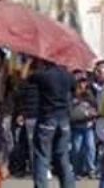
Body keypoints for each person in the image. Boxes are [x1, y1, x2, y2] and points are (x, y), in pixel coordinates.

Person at [28, 58, 76, 188]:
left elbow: (24, 77)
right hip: (64, 119)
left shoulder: (43, 75)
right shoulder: (68, 75)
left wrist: (30, 62)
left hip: (47, 117)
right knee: (63, 157)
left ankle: (41, 186)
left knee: (42, 156)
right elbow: (74, 90)